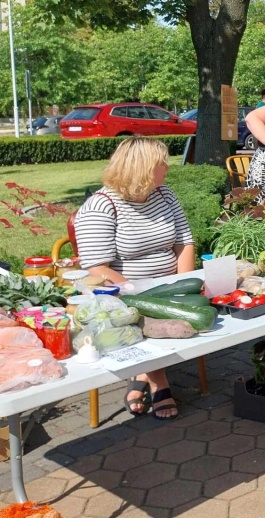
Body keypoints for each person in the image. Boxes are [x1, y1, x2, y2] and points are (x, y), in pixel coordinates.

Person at [73, 136, 195, 420]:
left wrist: (185, 286)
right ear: (144, 169)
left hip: (167, 284)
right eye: (162, 163)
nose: (167, 168)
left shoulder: (164, 194)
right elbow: (96, 267)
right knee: (151, 316)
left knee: (180, 310)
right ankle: (158, 382)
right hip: (120, 293)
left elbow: (184, 242)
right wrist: (136, 291)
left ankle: (139, 374)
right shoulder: (101, 206)